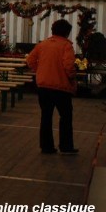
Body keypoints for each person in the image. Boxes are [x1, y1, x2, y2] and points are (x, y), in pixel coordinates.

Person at [26, 19, 78, 155]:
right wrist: (72, 77)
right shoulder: (66, 46)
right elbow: (69, 66)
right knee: (65, 116)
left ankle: (46, 147)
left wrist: (39, 71)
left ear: (53, 30)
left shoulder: (42, 44)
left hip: (43, 86)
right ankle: (66, 146)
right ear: (67, 32)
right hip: (61, 87)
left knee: (46, 116)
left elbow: (30, 60)